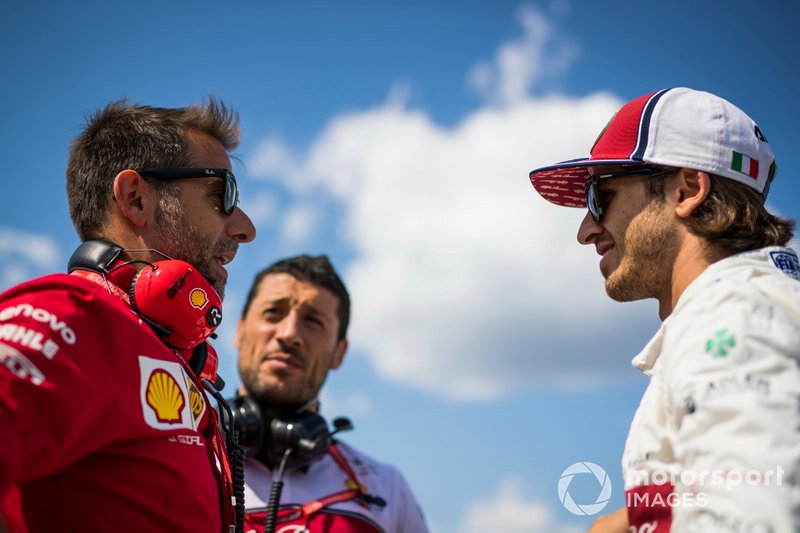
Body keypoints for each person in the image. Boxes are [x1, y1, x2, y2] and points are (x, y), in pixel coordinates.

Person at [528, 88, 800, 532]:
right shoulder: (756, 308)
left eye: (601, 196)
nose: (585, 230)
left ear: (687, 190)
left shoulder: (733, 316)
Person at [0, 97, 257, 532]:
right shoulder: (70, 316)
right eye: (222, 194)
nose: (245, 227)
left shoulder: (177, 361)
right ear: (136, 199)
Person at [232, 254, 429, 532]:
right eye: (273, 312)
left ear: (339, 353)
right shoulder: (178, 453)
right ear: (240, 330)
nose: (289, 334)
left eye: (313, 321)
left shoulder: (387, 487)